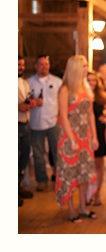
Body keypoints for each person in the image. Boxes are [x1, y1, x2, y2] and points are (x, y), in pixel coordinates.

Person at [55, 55, 99, 223]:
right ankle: (71, 210)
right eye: (83, 65)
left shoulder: (86, 87)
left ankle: (83, 207)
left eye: (86, 65)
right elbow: (63, 116)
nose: (86, 68)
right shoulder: (65, 89)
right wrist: (72, 140)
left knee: (84, 173)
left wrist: (94, 136)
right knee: (70, 174)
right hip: (69, 138)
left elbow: (90, 114)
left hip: (85, 136)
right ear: (74, 68)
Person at [27, 55, 62, 192]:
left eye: (46, 64)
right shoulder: (28, 83)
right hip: (35, 123)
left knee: (57, 152)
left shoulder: (57, 82)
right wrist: (32, 103)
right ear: (36, 66)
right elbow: (25, 101)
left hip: (54, 122)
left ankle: (59, 177)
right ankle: (41, 180)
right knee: (38, 154)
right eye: (41, 64)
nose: (44, 66)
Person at [87, 71, 106, 206]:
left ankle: (97, 194)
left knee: (98, 165)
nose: (91, 83)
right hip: (84, 132)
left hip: (99, 132)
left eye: (94, 80)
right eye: (88, 80)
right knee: (87, 166)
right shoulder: (81, 94)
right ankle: (87, 194)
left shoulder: (101, 96)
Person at [18, 55, 37, 206]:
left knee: (23, 158)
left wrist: (32, 103)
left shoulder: (24, 82)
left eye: (22, 65)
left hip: (25, 123)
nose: (21, 67)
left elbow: (28, 98)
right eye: (18, 65)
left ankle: (18, 186)